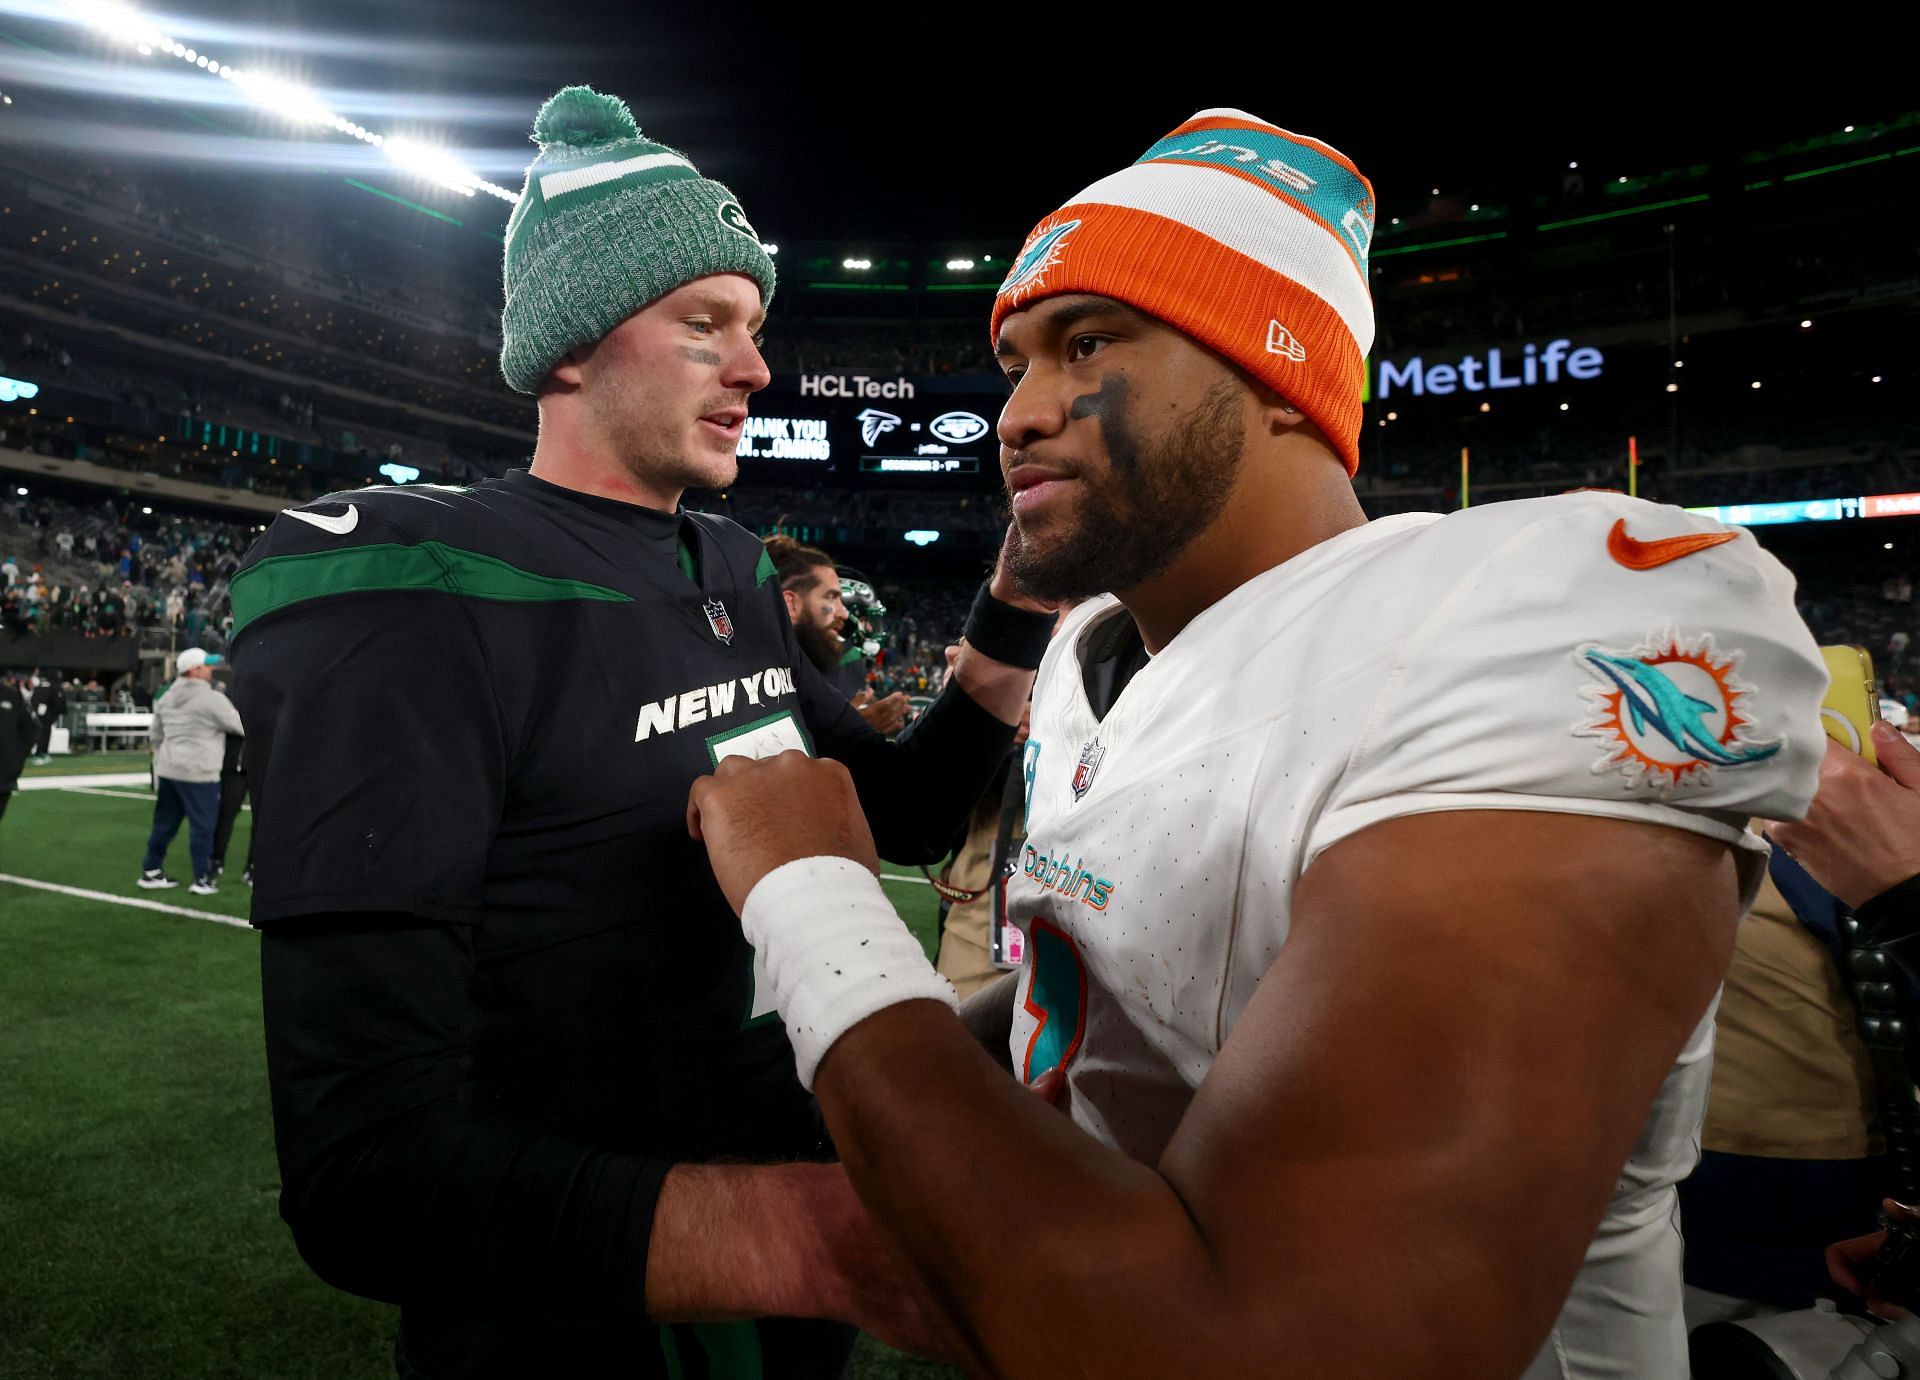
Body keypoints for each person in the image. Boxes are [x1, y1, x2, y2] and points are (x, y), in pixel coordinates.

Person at [685, 108, 1831, 1378]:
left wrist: (813, 905)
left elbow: (1261, 1346)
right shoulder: (1090, 654)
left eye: (1088, 342)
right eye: (1018, 360)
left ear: (1279, 369)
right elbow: (1131, 987)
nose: (1016, 414)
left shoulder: (1521, 615)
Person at [231, 86, 1049, 1380]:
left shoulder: (724, 560)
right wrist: (829, 1240)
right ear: (570, 345)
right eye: (703, 324)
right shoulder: (423, 586)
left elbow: (910, 812)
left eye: (756, 327)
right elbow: (368, 1170)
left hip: (781, 1277)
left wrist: (1020, 599)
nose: (756, 369)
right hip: (577, 1325)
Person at [764, 533, 910, 735]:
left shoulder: (814, 666)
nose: (843, 613)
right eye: (831, 597)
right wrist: (849, 731)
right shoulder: (751, 670)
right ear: (791, 604)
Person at [139, 647, 242, 896]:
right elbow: (241, 725)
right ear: (194, 670)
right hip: (199, 772)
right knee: (203, 826)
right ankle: (202, 878)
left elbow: (155, 736)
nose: (210, 670)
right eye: (206, 666)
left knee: (164, 823)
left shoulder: (166, 698)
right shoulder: (211, 699)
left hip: (170, 769)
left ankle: (151, 871)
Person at [0, 668, 37, 827]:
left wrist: (15, 755)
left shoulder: (12, 696)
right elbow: (32, 729)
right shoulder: (12, 695)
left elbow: (32, 729)